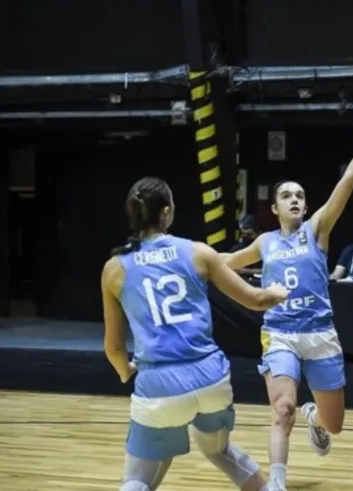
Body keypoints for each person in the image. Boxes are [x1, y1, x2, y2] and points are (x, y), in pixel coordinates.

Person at [222, 102, 353, 491]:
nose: (296, 199)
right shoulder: (265, 242)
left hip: (320, 334)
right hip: (280, 332)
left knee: (335, 423)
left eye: (300, 195)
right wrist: (189, 258)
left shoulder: (317, 228)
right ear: (275, 206)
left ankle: (314, 418)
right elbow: (225, 262)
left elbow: (349, 179)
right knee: (281, 409)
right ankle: (277, 483)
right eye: (288, 195)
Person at [100, 177, 290, 491]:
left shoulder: (114, 269)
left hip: (159, 385)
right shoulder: (198, 253)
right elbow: (257, 300)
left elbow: (114, 348)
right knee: (219, 450)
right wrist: (277, 292)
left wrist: (126, 372)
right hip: (211, 379)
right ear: (166, 213)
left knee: (137, 479)